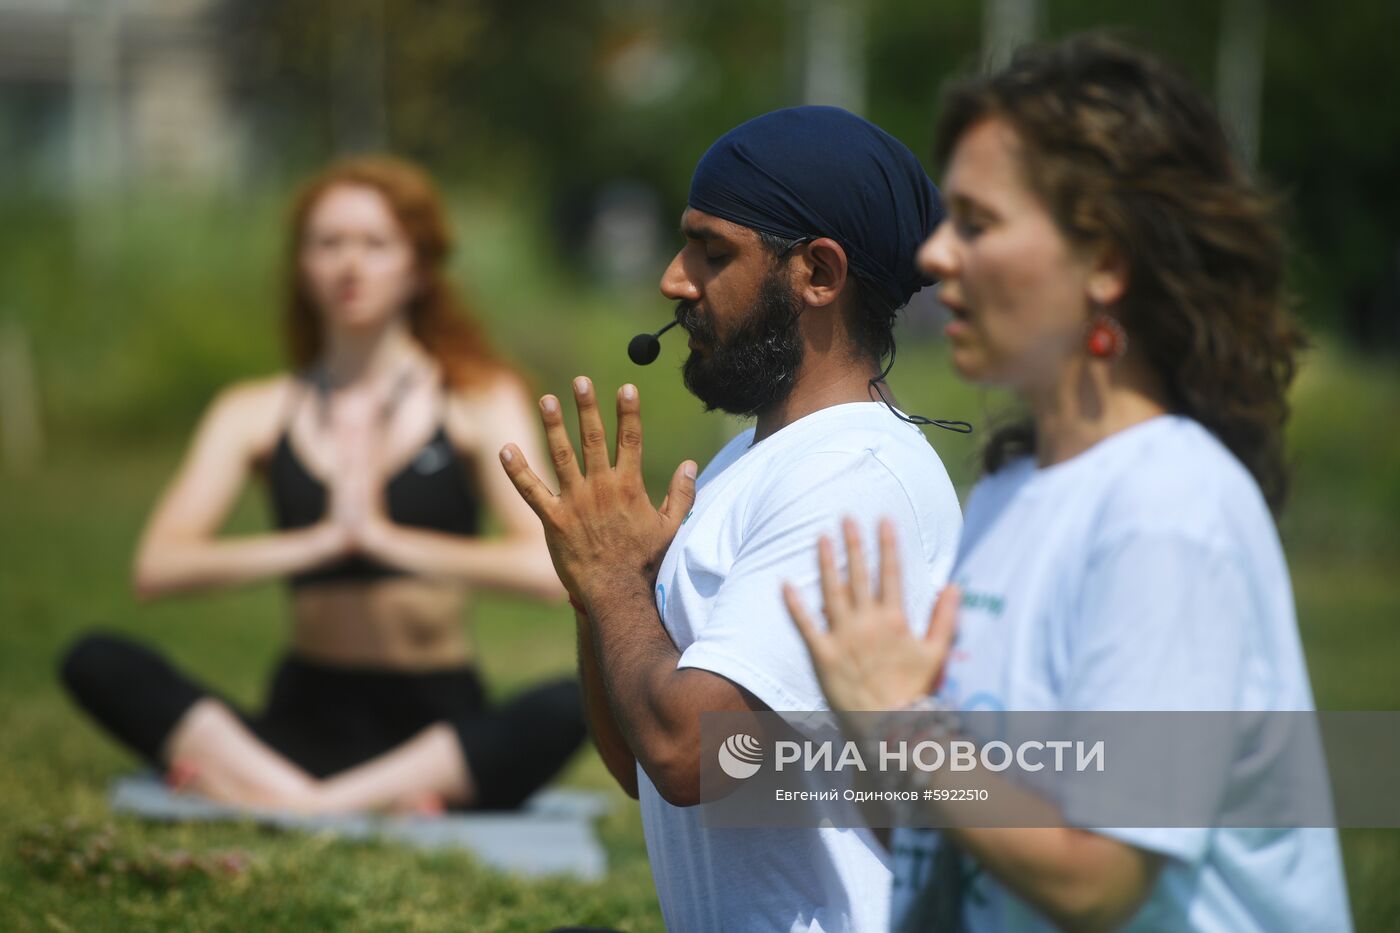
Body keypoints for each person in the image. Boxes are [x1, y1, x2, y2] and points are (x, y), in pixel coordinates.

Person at [782, 36, 1352, 932]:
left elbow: (1098, 876)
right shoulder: (1011, 493)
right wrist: (874, 729)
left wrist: (902, 724)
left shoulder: (1167, 506)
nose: (936, 254)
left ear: (1107, 260)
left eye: (978, 222)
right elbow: (964, 831)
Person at [499, 106, 965, 932]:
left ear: (818, 273)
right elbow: (642, 762)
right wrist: (604, 588)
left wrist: (614, 584)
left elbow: (692, 754)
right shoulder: (757, 460)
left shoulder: (847, 480)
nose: (675, 280)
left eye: (713, 252)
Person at [60, 156, 585, 814]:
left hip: (434, 726)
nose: (349, 265)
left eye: (375, 244)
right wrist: (319, 543)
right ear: (301, 265)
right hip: (300, 717)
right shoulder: (253, 408)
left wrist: (383, 539)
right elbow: (158, 566)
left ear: (419, 266)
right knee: (96, 658)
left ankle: (294, 802)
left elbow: (545, 568)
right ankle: (339, 796)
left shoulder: (478, 400)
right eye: (328, 243)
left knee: (577, 703)